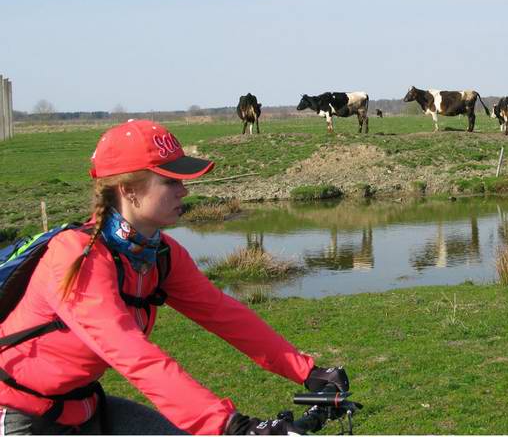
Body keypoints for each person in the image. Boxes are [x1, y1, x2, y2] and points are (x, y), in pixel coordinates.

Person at [0, 119, 348, 435]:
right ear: (128, 189)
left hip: (84, 407)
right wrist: (230, 426)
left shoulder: (159, 253)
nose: (184, 190)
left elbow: (224, 315)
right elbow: (133, 355)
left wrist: (308, 371)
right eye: (170, 180)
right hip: (21, 414)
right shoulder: (77, 257)